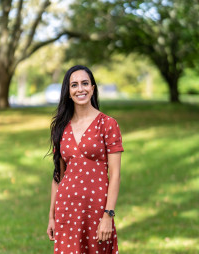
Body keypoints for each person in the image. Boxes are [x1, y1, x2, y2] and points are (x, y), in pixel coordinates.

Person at [47, 65, 124, 253]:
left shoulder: (107, 124)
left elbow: (115, 175)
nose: (80, 89)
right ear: (68, 92)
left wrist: (108, 215)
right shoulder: (61, 128)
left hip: (97, 211)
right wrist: (52, 216)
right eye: (74, 85)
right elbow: (59, 176)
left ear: (92, 88)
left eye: (85, 83)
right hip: (67, 210)